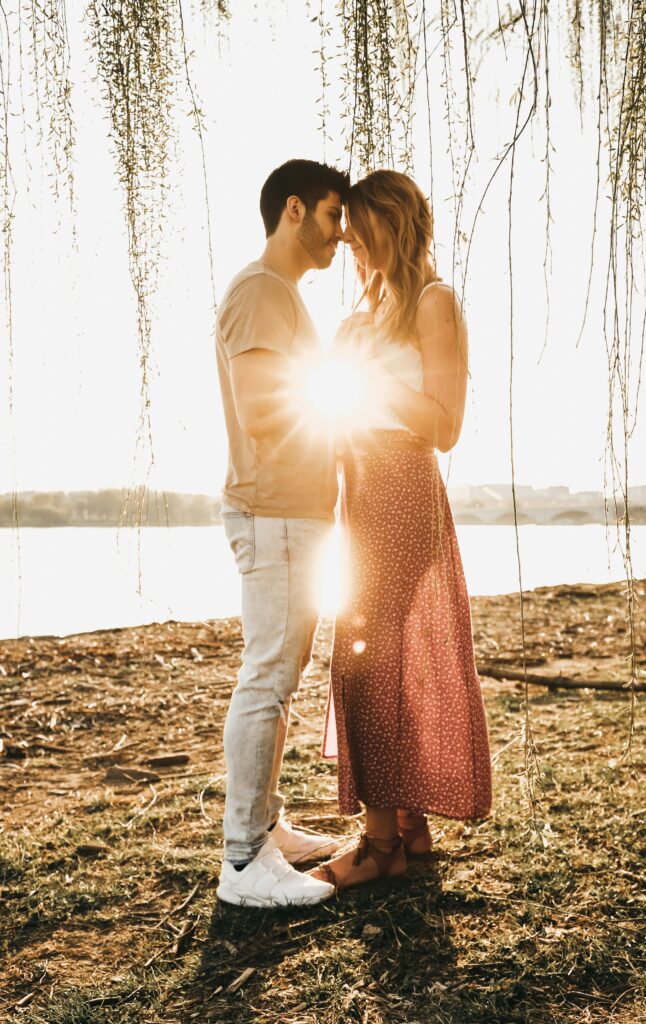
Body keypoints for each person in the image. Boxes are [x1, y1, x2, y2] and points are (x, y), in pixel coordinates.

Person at [312, 169, 493, 891]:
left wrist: (369, 379)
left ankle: (378, 842)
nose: (349, 241)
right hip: (357, 487)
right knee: (376, 660)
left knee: (366, 663)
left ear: (394, 223)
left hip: (402, 486)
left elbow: (443, 426)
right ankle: (407, 825)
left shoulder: (432, 301)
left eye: (358, 227)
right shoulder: (367, 307)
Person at [214, 159, 350, 907]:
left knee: (279, 675)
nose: (341, 233)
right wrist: (352, 417)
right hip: (273, 510)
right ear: (293, 210)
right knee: (266, 675)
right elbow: (266, 411)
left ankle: (264, 828)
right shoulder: (261, 291)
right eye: (333, 215)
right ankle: (242, 864)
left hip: (294, 510)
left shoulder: (280, 295)